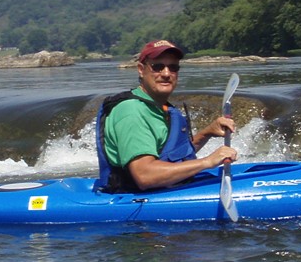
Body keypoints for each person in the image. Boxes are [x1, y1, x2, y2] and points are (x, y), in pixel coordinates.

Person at [94, 39, 238, 193]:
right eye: (158, 67)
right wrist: (207, 162)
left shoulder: (157, 105)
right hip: (136, 200)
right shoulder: (132, 112)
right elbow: (144, 176)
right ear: (141, 69)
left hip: (164, 188)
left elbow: (172, 156)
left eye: (173, 67)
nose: (166, 73)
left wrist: (207, 133)